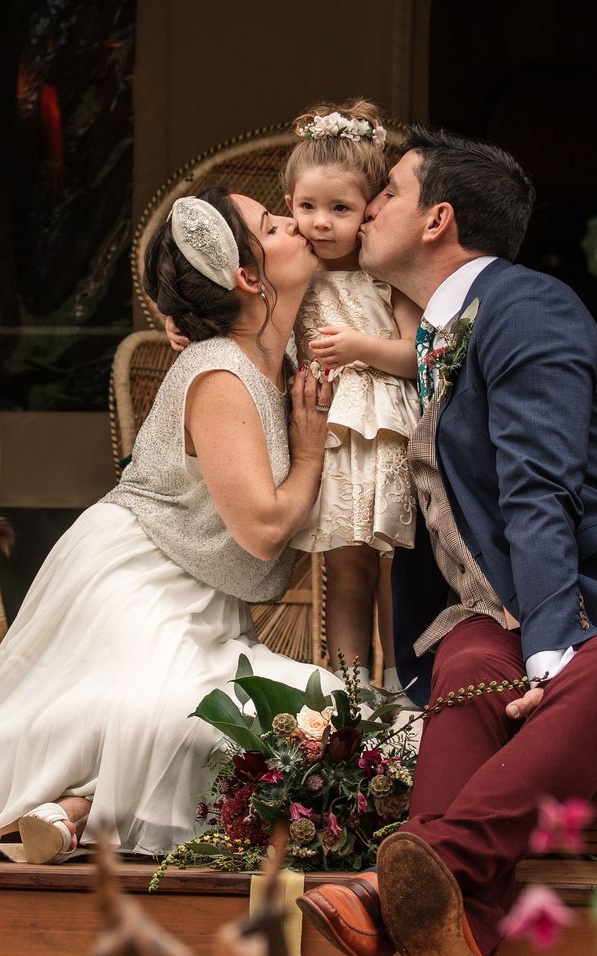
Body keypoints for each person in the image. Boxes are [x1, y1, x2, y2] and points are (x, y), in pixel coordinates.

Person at [296, 127, 597, 956]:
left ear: (438, 219)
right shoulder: (437, 332)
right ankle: (459, 936)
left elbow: (541, 486)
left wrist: (548, 645)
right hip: (508, 614)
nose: (368, 205)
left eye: (386, 192)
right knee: (465, 658)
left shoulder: (527, 304)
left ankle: (394, 891)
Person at [0, 189, 341, 863]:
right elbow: (261, 531)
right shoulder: (223, 371)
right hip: (139, 576)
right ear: (248, 277)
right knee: (165, 716)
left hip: (204, 598)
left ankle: (73, 809)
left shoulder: (273, 359)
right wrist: (311, 450)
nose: (301, 225)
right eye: (276, 224)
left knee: (295, 718)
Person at [171, 99, 421, 691]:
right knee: (346, 568)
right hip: (325, 433)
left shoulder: (388, 273)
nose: (320, 223)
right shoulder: (295, 273)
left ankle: (401, 684)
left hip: (387, 436)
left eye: (340, 208)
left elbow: (417, 355)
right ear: (290, 206)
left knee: (397, 568)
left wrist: (361, 347)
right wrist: (180, 323)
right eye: (307, 207)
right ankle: (348, 693)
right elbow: (244, 319)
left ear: (371, 209)